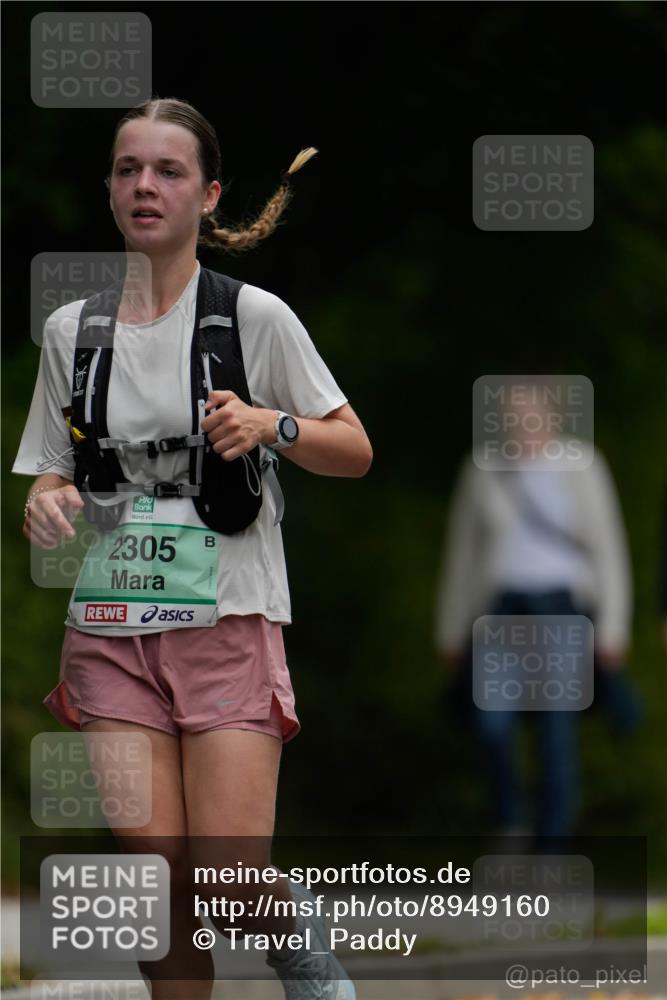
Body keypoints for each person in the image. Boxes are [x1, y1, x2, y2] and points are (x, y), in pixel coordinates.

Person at [13, 97, 371, 1000]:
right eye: (128, 169)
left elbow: (353, 449)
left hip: (228, 617)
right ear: (109, 188)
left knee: (222, 876)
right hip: (109, 625)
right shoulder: (73, 333)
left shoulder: (253, 317)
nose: (145, 185)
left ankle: (293, 937)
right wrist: (46, 506)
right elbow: (53, 473)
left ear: (209, 196)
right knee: (155, 881)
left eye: (169, 171)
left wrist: (270, 422)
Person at [434, 391, 633, 841]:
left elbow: (609, 550)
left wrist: (613, 627)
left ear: (552, 415)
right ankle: (510, 822)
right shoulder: (482, 468)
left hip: (562, 612)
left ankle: (552, 847)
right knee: (491, 724)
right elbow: (462, 555)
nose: (522, 421)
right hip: (501, 615)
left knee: (556, 734)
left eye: (531, 412)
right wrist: (450, 627)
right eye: (513, 413)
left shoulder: (584, 465)